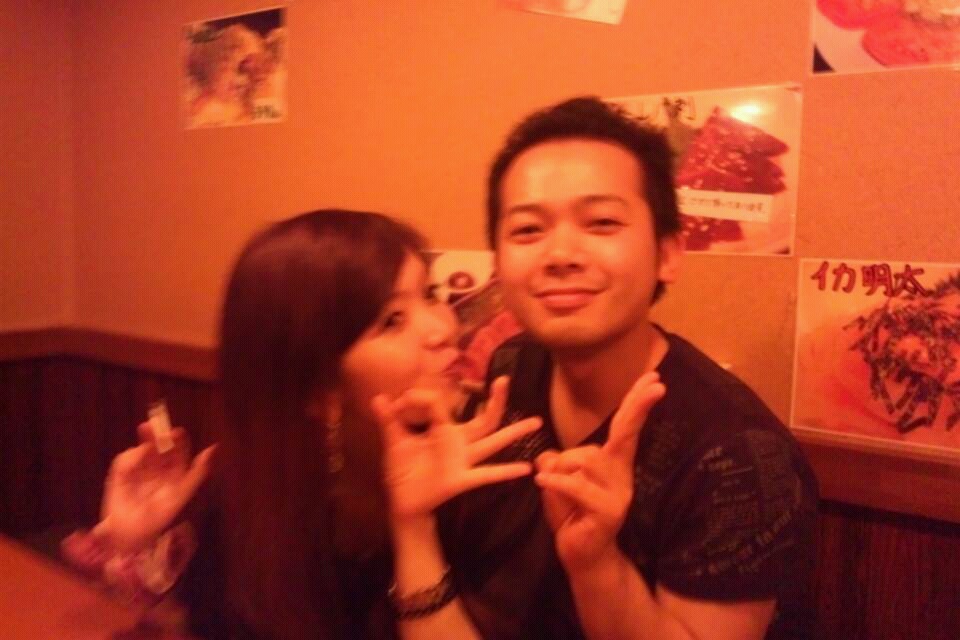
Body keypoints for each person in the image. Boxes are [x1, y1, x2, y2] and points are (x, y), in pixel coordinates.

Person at [62, 208, 666, 640]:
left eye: (428, 295)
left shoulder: (498, 465)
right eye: (392, 321)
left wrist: (414, 528)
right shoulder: (244, 484)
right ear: (318, 389)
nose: (443, 328)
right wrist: (135, 545)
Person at [438, 97, 819, 639]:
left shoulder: (736, 456)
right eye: (527, 230)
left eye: (601, 222)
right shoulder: (511, 367)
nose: (560, 254)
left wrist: (597, 564)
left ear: (668, 254)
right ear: (499, 262)